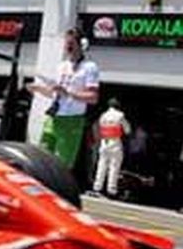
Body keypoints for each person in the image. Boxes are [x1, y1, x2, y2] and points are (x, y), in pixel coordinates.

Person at [29, 28, 100, 169]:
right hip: (53, 117)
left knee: (62, 164)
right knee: (42, 158)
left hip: (71, 121)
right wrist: (38, 89)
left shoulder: (89, 67)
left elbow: (93, 97)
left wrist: (68, 92)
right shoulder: (62, 66)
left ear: (82, 45)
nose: (68, 47)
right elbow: (55, 94)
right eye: (66, 43)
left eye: (71, 43)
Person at [93, 98, 132, 197]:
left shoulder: (103, 115)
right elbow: (127, 130)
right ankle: (111, 189)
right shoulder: (120, 115)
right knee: (114, 166)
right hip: (115, 142)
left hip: (104, 142)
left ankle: (97, 187)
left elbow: (99, 128)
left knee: (101, 165)